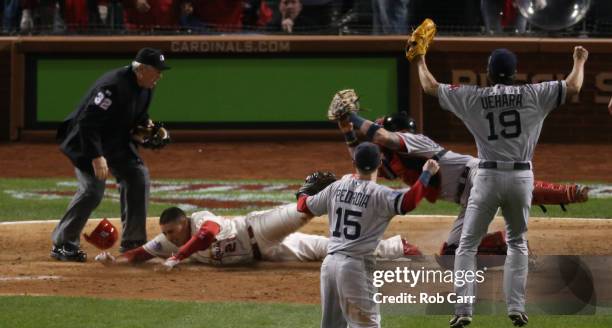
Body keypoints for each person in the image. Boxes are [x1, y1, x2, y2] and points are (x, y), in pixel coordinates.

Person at [414, 45, 588, 328]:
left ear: (489, 73)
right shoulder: (535, 93)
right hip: (521, 178)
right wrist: (579, 60)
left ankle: (463, 310)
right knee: (517, 241)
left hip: (487, 177)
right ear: (515, 73)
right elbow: (573, 86)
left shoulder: (474, 97)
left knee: (467, 246)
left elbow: (429, 86)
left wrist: (419, 58)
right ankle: (516, 308)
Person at [337, 110, 589, 269]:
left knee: (514, 188)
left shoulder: (415, 142)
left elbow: (381, 138)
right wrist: (348, 130)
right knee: (450, 257)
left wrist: (353, 116)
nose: (378, 133)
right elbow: (364, 162)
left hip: (478, 175)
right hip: (467, 196)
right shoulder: (397, 161)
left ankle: (566, 193)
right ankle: (506, 244)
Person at [300, 142, 439, 328]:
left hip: (330, 265)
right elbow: (409, 202)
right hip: (355, 267)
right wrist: (427, 173)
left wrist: (302, 192)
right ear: (379, 165)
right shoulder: (379, 193)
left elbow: (305, 206)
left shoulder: (336, 186)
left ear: (355, 164)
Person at [51, 47, 170, 262]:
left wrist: (146, 128)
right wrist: (96, 156)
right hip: (87, 143)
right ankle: (63, 243)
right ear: (141, 69)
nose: (160, 76)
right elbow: (88, 123)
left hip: (115, 143)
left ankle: (133, 242)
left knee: (137, 176)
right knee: (92, 191)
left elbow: (137, 117)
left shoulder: (146, 86)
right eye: (157, 71)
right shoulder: (113, 86)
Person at [95, 203, 418, 268]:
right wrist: (116, 260)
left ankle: (333, 193)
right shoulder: (169, 241)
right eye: (165, 234)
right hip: (271, 253)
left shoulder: (199, 220)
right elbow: (141, 253)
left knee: (303, 210)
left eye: (171, 231)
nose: (168, 237)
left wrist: (179, 256)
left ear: (182, 223)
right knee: (332, 251)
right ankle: (396, 247)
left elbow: (207, 235)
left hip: (258, 229)